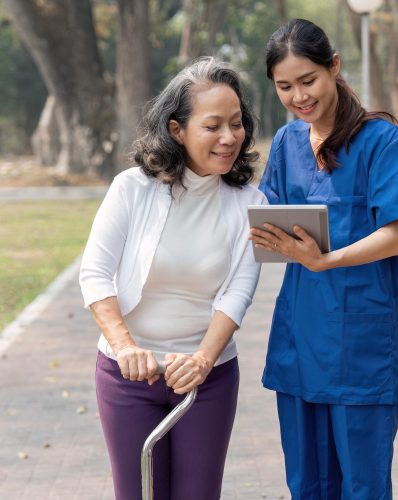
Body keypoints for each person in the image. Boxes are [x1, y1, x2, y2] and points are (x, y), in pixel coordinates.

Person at [249, 19, 398, 500]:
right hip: (299, 338)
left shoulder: (380, 140)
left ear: (334, 66)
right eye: (284, 87)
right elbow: (264, 218)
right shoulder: (288, 144)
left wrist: (325, 261)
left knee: (363, 487)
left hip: (361, 346)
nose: (298, 96)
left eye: (307, 80)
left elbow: (394, 237)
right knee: (307, 484)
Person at [79, 57, 266, 500]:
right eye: (213, 125)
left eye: (237, 124)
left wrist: (202, 359)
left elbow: (238, 292)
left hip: (208, 377)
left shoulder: (249, 202)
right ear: (177, 129)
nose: (229, 138)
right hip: (129, 378)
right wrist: (125, 346)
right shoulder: (131, 189)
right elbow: (95, 272)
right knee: (139, 493)